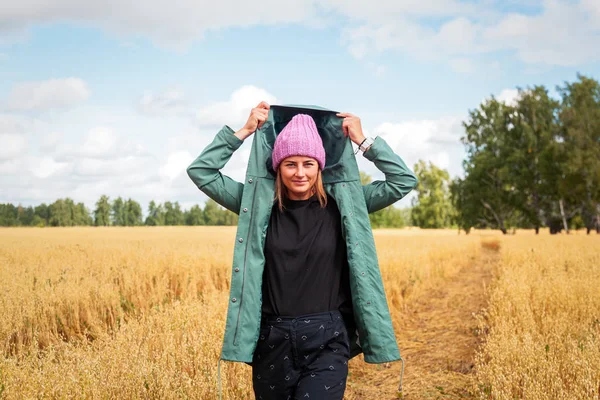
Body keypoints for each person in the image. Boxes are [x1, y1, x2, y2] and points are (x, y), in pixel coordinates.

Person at [187, 101, 417, 399]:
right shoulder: (256, 206)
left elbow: (403, 181)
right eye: (290, 164)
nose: (300, 173)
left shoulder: (345, 206)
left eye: (308, 164)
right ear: (277, 166)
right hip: (272, 340)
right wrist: (243, 131)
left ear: (320, 167)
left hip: (328, 339)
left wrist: (364, 141)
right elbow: (202, 172)